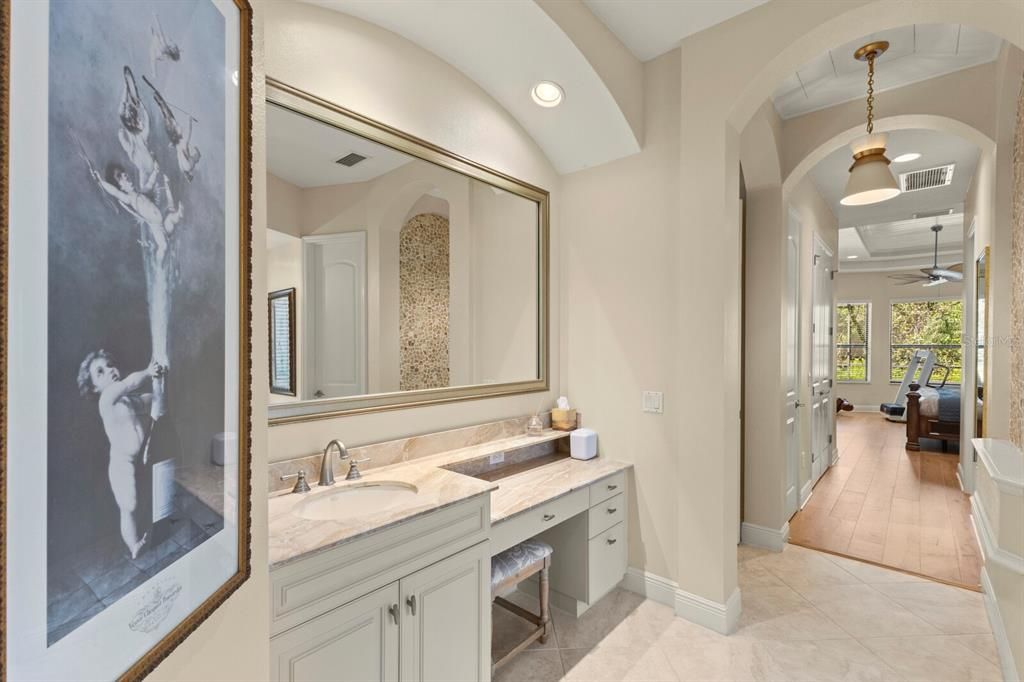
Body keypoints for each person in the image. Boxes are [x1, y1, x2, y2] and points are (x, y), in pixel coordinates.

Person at [77, 351, 167, 559]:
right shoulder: (106, 400)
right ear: (94, 388)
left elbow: (144, 401)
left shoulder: (125, 400)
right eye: (101, 372)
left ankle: (140, 538)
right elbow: (130, 383)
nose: (110, 370)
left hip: (134, 461)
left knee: (137, 500)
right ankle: (134, 545)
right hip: (120, 465)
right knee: (128, 506)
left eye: (110, 364)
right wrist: (147, 372)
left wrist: (159, 392)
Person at [89, 161, 183, 263]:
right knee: (163, 246)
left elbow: (150, 184)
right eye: (119, 176)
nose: (124, 175)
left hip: (162, 221)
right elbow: (114, 192)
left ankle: (178, 215)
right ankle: (159, 265)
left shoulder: (140, 192)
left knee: (171, 218)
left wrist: (155, 172)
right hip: (156, 227)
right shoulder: (128, 199)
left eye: (123, 172)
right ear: (120, 187)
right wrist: (100, 181)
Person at [143, 75, 201, 182]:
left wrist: (197, 155)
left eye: (189, 176)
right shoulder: (183, 168)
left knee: (169, 118)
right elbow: (188, 157)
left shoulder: (187, 167)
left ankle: (160, 102)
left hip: (179, 141)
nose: (189, 175)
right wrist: (196, 155)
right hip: (176, 141)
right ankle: (160, 103)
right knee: (168, 118)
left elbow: (191, 157)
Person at [118, 66, 159, 192]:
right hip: (147, 167)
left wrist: (140, 106)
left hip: (147, 166)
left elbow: (146, 121)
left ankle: (128, 86)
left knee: (144, 188)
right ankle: (127, 86)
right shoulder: (138, 135)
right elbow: (145, 120)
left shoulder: (140, 135)